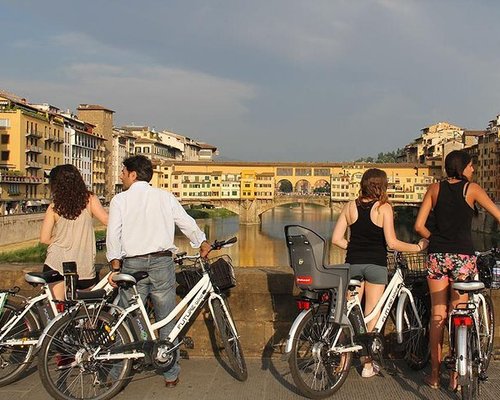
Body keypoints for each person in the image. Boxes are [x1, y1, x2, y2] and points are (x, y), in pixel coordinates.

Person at [106, 155, 211, 388]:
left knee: (127, 317)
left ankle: (116, 372)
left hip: (132, 265)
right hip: (163, 263)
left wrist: (115, 264)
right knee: (166, 317)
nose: (121, 175)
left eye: (123, 171)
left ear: (133, 174)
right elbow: (185, 221)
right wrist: (201, 242)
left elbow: (113, 234)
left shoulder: (120, 200)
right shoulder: (165, 197)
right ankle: (170, 373)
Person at [414, 150, 500, 390]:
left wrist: (438, 240)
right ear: (463, 168)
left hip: (437, 257)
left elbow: (419, 226)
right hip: (463, 259)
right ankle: (455, 376)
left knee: (437, 315)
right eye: (471, 166)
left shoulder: (434, 188)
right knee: (458, 313)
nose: (473, 169)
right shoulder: (471, 189)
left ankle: (433, 375)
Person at [332, 168, 428, 378]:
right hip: (376, 266)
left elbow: (336, 239)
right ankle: (367, 366)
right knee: (370, 317)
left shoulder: (349, 206)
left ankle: (342, 361)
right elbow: (392, 242)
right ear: (381, 185)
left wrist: (354, 246)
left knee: (349, 316)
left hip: (353, 265)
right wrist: (418, 248)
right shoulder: (384, 208)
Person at [40, 164, 108, 300]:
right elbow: (108, 221)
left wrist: (61, 240)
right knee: (86, 313)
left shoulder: (54, 206)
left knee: (58, 312)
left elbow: (44, 239)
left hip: (56, 263)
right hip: (83, 266)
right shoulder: (90, 200)